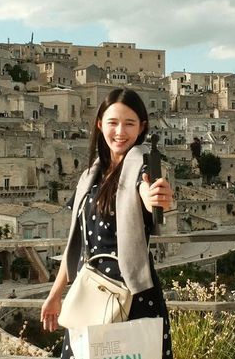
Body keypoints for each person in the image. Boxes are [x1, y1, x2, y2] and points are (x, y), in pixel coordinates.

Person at [40, 88, 174, 359]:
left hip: (131, 298)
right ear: (100, 124)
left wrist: (155, 198)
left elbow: (147, 191)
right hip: (89, 296)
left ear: (142, 127)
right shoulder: (90, 176)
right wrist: (55, 294)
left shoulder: (141, 166)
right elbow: (77, 244)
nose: (120, 132)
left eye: (129, 124)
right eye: (113, 122)